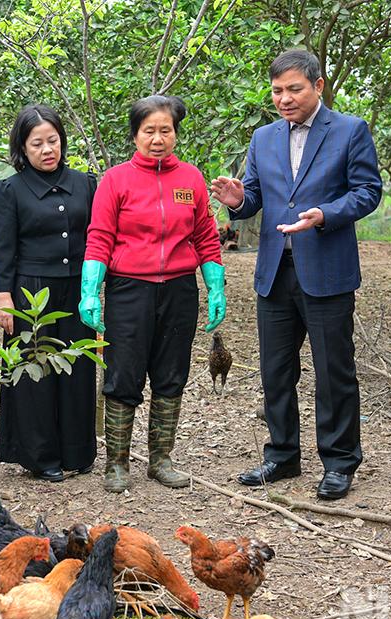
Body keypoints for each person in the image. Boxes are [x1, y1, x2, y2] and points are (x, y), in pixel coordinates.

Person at [210, 49, 382, 499]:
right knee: (275, 371)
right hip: (275, 272)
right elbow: (253, 198)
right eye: (277, 91)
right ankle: (282, 455)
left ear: (318, 87)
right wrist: (235, 199)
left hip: (326, 270)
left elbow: (368, 192)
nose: (284, 99)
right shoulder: (264, 138)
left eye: (294, 89)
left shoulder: (349, 131)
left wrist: (324, 214)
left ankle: (340, 461)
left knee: (334, 371)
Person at [80, 94, 226, 493]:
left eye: (166, 130)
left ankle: (160, 460)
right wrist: (90, 291)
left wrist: (215, 284)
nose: (158, 138)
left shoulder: (191, 179)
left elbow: (205, 237)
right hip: (129, 288)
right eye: (150, 131)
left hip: (179, 289)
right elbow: (99, 237)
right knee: (123, 373)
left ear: (176, 133)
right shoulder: (115, 180)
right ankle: (117, 463)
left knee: (171, 373)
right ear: (135, 135)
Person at [0, 104, 98, 482]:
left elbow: (97, 237)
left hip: (78, 291)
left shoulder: (85, 183)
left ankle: (78, 451)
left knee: (78, 367)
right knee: (37, 374)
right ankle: (40, 455)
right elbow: (3, 249)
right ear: (23, 148)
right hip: (31, 291)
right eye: (37, 143)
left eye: (52, 140)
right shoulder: (9, 189)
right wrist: (3, 298)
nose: (47, 149)